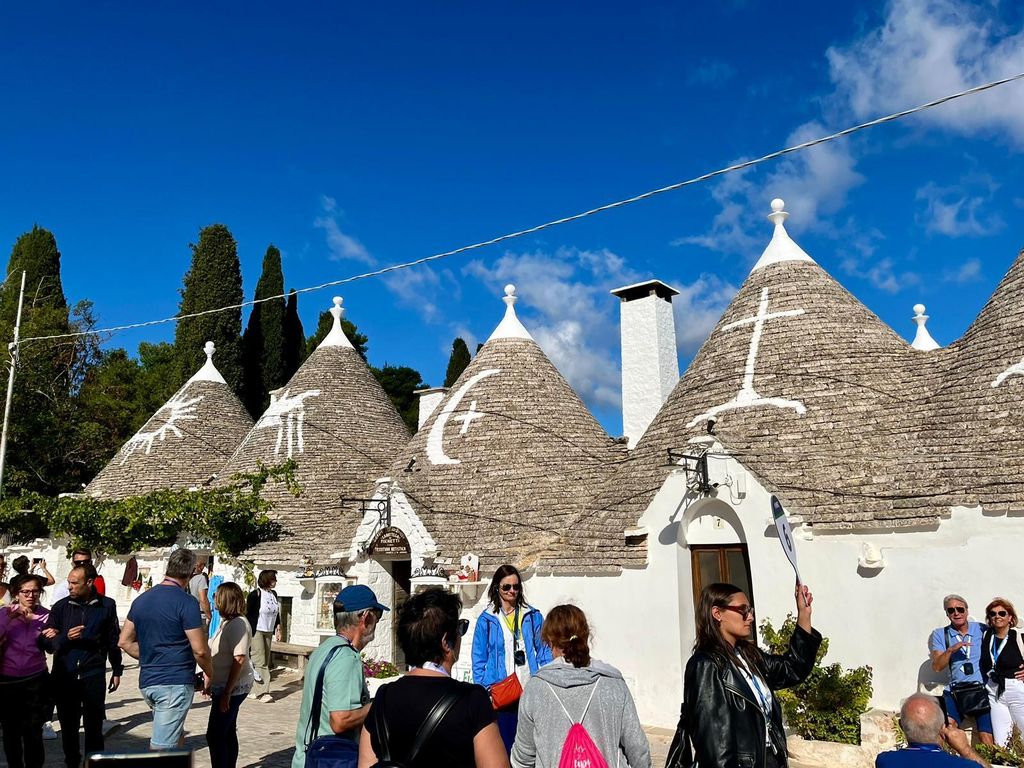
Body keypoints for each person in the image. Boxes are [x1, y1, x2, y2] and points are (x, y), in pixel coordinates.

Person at [359, 588, 508, 768]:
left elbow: (366, 764)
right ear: (446, 642)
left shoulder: (383, 698)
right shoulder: (472, 700)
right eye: (460, 628)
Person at [684, 582, 821, 768]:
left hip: (769, 759)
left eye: (750, 610)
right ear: (717, 613)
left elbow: (792, 668)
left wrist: (804, 614)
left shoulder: (748, 655)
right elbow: (716, 746)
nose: (750, 617)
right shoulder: (706, 665)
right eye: (743, 610)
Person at [511, 604, 651, 768]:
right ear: (586, 635)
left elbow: (522, 758)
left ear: (549, 641)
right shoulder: (613, 683)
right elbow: (638, 749)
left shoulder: (536, 689)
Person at [117, 548, 214, 750]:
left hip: (148, 681)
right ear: (190, 573)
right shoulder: (187, 603)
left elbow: (124, 641)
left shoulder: (141, 600)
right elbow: (200, 650)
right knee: (162, 749)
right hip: (174, 682)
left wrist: (151, 657)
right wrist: (209, 672)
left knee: (175, 737)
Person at [292, 584, 388, 768]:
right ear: (366, 618)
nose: (377, 623)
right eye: (378, 616)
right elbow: (340, 720)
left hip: (309, 757)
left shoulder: (325, 648)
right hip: (330, 759)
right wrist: (379, 704)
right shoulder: (345, 657)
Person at [42, 563, 123, 768]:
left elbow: (112, 640)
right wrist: (65, 638)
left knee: (94, 727)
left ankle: (93, 763)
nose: (69, 587)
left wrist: (116, 668)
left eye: (74, 583)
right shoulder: (61, 607)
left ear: (89, 582)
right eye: (68, 582)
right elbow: (48, 643)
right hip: (65, 675)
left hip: (93, 674)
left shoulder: (107, 605)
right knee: (69, 727)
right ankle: (72, 762)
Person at [473, 564, 553, 752]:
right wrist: (485, 690)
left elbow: (543, 652)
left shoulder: (532, 616)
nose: (512, 591)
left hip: (528, 688)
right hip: (500, 691)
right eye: (506, 587)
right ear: (496, 588)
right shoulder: (486, 619)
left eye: (516, 587)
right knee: (504, 745)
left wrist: (547, 681)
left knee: (528, 746)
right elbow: (478, 659)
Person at [0, 574, 53, 768]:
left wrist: (54, 634)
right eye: (25, 591)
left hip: (35, 679)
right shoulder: (5, 613)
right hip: (8, 681)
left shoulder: (47, 615)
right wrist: (8, 621)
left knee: (33, 731)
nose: (31, 595)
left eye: (35, 591)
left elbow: (51, 645)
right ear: (16, 593)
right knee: (11, 731)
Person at [928, 594, 994, 745]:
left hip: (981, 688)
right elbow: (937, 666)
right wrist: (951, 650)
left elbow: (1002, 646)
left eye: (960, 609)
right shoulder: (941, 634)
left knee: (986, 735)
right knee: (947, 730)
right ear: (947, 614)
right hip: (956, 690)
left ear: (966, 610)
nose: (956, 613)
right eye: (951, 610)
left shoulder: (982, 629)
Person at [204, 582, 254, 768]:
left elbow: (239, 659)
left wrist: (226, 693)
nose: (214, 602)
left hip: (232, 687)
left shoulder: (238, 625)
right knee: (227, 731)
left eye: (217, 598)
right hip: (223, 685)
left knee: (215, 734)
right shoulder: (228, 623)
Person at [876, 694, 989, 767]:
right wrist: (965, 749)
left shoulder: (886, 761)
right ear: (942, 728)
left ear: (901, 726)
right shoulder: (964, 766)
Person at [980, 597, 1024, 746]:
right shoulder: (986, 636)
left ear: (1010, 617)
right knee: (1002, 741)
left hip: (1015, 688)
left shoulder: (1017, 636)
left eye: (1002, 613)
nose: (997, 616)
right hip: (994, 690)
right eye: (993, 614)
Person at [247, 569, 281, 703]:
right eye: (273, 579)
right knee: (259, 660)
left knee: (265, 660)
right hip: (257, 630)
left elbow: (276, 613)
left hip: (269, 630)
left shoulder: (273, 594)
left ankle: (255, 689)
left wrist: (278, 628)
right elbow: (249, 613)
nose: (275, 582)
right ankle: (263, 691)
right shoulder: (255, 595)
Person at [189, 557, 212, 627]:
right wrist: (209, 615)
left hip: (187, 613)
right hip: (199, 615)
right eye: (204, 565)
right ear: (200, 566)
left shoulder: (187, 578)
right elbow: (203, 599)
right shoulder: (201, 578)